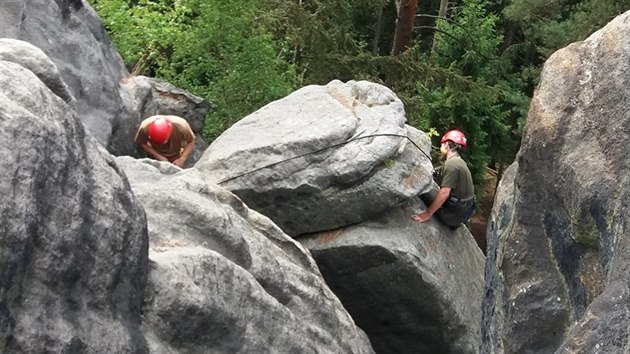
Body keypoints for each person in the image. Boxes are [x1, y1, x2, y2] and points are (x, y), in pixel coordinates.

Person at [411, 129, 475, 229]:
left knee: (425, 192)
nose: (442, 146)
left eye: (442, 144)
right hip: (463, 210)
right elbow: (439, 172)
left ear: (446, 145)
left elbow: (444, 193)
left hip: (452, 215)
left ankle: (444, 217)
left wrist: (427, 214)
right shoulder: (458, 161)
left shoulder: (451, 165)